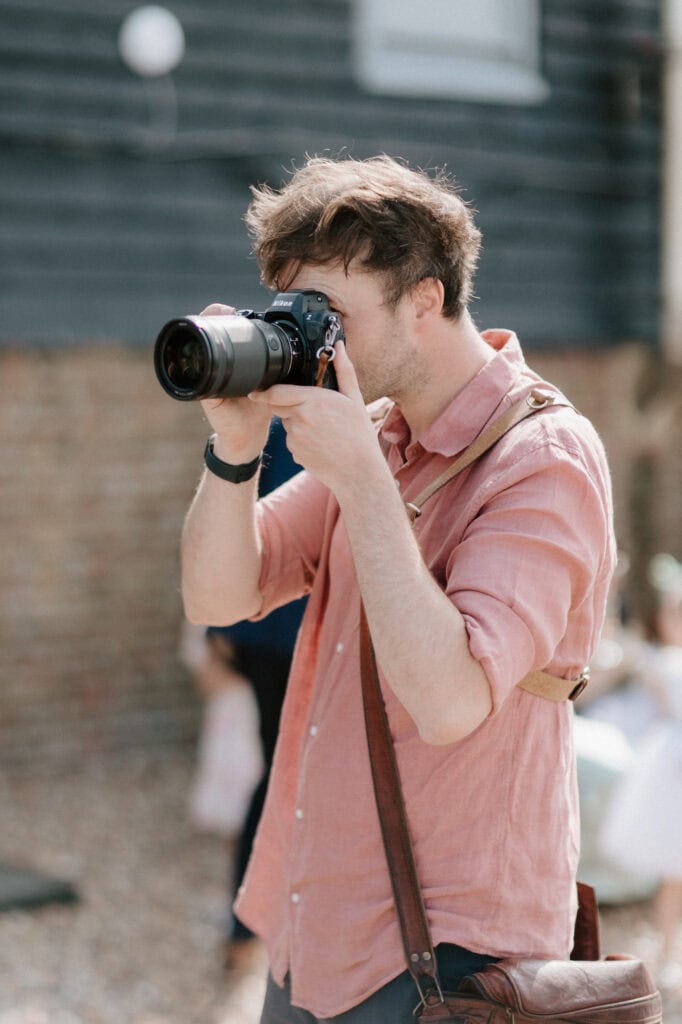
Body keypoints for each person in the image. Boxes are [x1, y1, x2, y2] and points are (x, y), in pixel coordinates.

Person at [180, 154, 616, 1023]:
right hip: (315, 928)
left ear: (424, 298)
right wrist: (234, 449)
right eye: (298, 314)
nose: (316, 341)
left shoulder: (542, 460)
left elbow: (449, 700)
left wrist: (366, 488)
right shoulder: (378, 436)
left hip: (447, 956)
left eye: (331, 314)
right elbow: (217, 597)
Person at [599, 553, 682, 992]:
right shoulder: (656, 661)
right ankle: (668, 950)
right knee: (673, 871)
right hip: (669, 773)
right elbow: (617, 658)